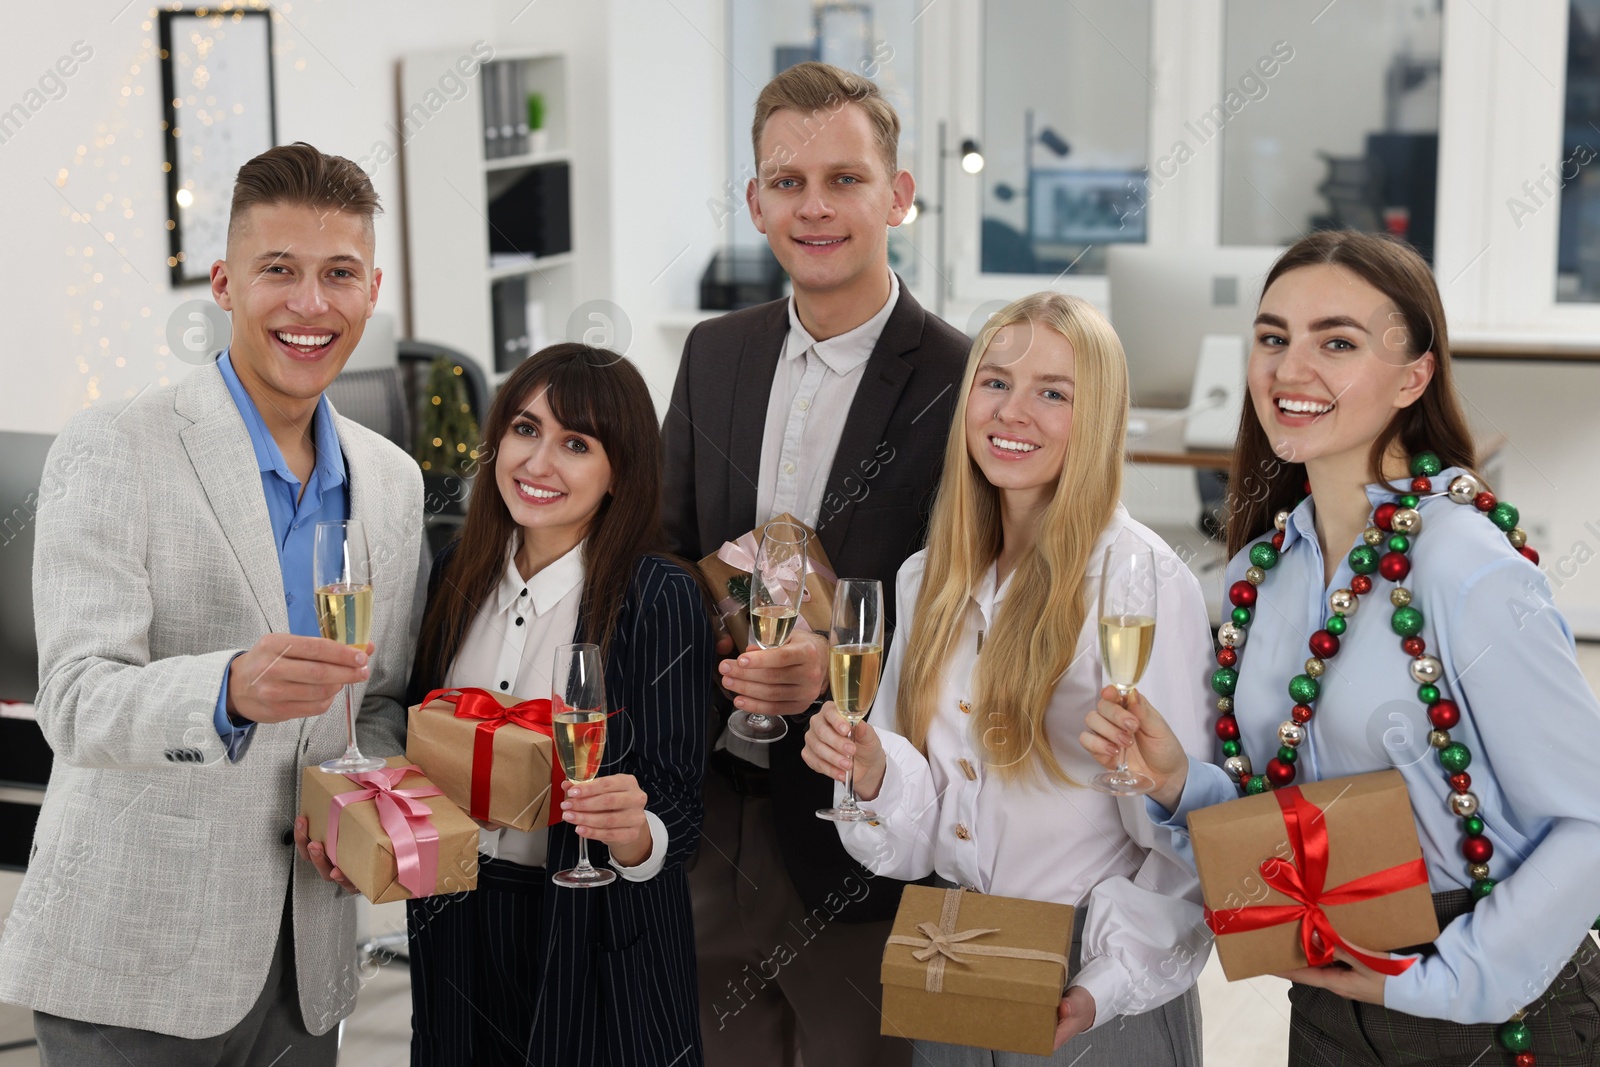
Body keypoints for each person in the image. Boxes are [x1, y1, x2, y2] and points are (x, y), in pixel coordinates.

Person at [1083, 230, 1600, 1066]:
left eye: (1337, 342)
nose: (1290, 370)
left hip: (1492, 1011)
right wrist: (1178, 782)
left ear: (1414, 375)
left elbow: (1589, 820)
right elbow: (1284, 813)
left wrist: (1439, 981)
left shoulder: (1464, 566)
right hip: (1327, 1000)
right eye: (1273, 337)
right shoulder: (1261, 571)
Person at [0, 143, 422, 1064]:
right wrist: (226, 689)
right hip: (135, 960)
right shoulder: (114, 444)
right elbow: (73, 698)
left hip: (307, 968)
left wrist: (354, 798)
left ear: (372, 286)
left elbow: (379, 699)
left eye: (339, 274)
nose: (311, 306)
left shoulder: (392, 482)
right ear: (226, 283)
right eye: (280, 270)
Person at [803, 292, 1214, 1066]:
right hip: (953, 963)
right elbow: (922, 834)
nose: (1011, 412)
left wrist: (1101, 985)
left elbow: (1185, 843)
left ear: (1097, 418)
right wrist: (874, 768)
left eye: (1053, 392)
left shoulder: (1145, 584)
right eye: (994, 383)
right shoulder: (928, 579)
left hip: (1090, 997)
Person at [661, 60, 970, 1067]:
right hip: (715, 807)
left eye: (845, 178)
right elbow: (665, 552)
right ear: (755, 202)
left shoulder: (968, 378)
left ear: (899, 194)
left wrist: (847, 672)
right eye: (787, 182)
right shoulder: (713, 352)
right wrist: (728, 642)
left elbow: (981, 614)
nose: (816, 206)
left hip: (864, 824)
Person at [405, 344, 715, 1067]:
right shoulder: (457, 569)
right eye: (524, 428)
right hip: (455, 916)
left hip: (593, 934)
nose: (538, 462)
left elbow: (682, 810)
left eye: (576, 443)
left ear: (620, 473)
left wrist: (636, 830)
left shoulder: (658, 597)